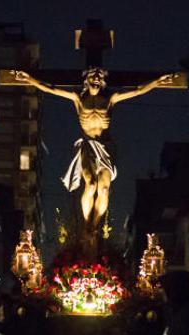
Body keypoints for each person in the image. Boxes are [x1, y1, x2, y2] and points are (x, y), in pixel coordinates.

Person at [11, 67, 179, 231]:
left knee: (104, 188)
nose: (97, 79)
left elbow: (138, 90)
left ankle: (95, 226)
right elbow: (51, 89)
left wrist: (157, 82)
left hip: (106, 147)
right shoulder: (78, 99)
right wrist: (30, 80)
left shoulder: (111, 99)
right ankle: (87, 226)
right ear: (87, 80)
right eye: (94, 76)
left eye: (100, 76)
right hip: (88, 145)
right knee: (90, 185)